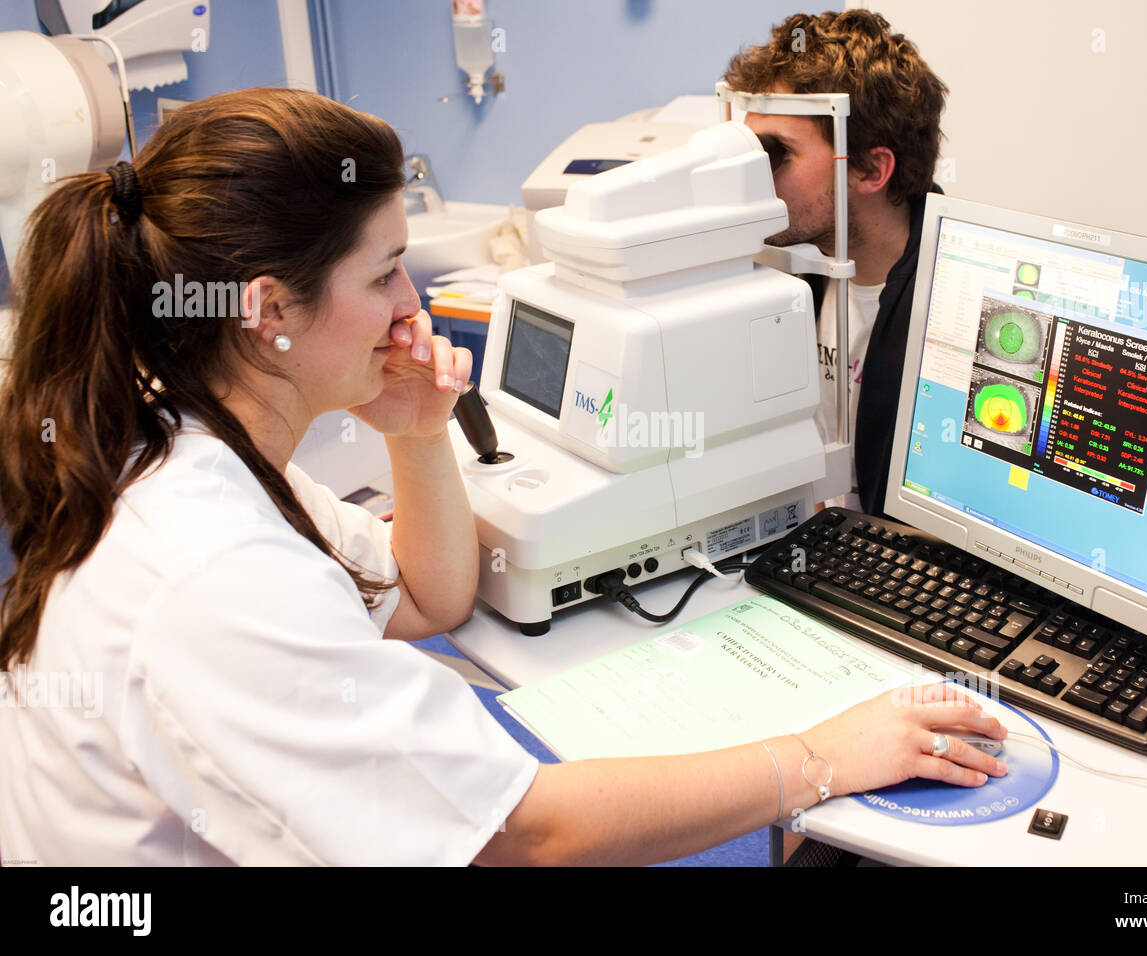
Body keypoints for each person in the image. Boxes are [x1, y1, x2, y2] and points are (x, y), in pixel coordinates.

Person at [0, 88, 1003, 866]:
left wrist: (417, 430)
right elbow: (523, 833)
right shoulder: (211, 567)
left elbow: (425, 596)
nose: (410, 305)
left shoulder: (189, 445)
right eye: (384, 270)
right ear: (269, 309)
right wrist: (820, 756)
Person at [724, 9, 948, 514]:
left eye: (775, 154)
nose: (753, 181)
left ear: (870, 168)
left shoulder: (947, 307)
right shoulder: (793, 267)